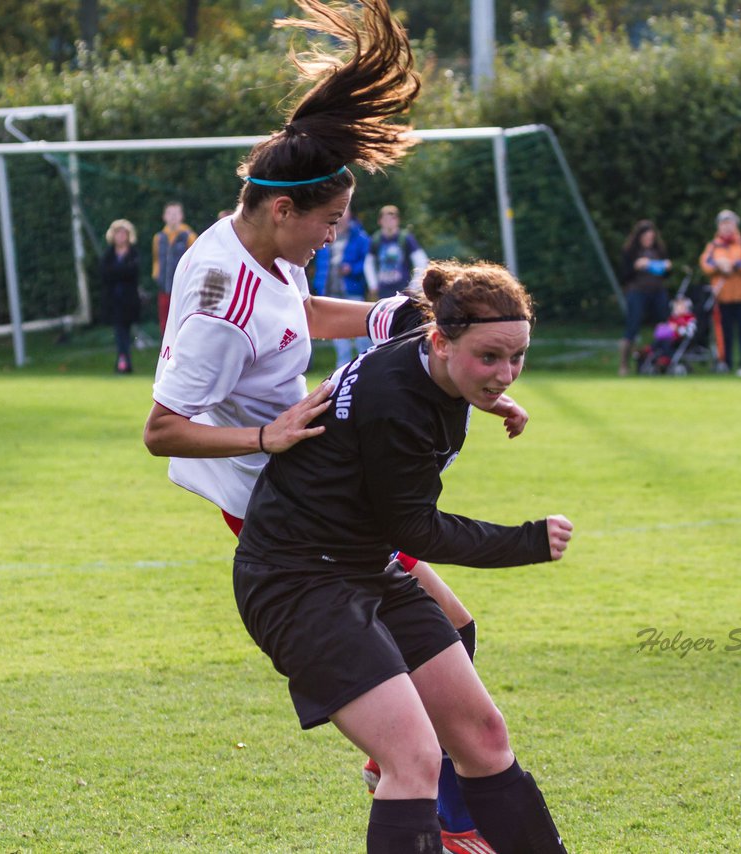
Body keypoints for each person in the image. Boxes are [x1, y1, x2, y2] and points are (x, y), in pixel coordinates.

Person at [141, 2, 523, 850]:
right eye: (328, 223)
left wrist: (400, 320)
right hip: (287, 503)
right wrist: (265, 437)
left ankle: (428, 793)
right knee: (439, 646)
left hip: (318, 473)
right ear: (284, 213)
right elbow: (163, 429)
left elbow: (301, 311)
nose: (331, 236)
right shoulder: (216, 298)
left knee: (452, 629)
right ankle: (434, 803)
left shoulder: (264, 253)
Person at [235, 261, 572, 853]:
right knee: (413, 758)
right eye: (490, 357)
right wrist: (527, 541)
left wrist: (489, 394)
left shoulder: (429, 345)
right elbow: (416, 530)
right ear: (441, 342)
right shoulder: (398, 405)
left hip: (362, 565)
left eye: (516, 357)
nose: (506, 373)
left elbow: (445, 369)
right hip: (296, 580)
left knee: (485, 736)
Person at [699, 210, 741, 374]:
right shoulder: (713, 246)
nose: (727, 227)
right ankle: (726, 363)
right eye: (723, 224)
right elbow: (706, 264)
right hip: (722, 297)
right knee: (724, 333)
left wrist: (733, 265)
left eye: (730, 223)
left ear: (735, 225)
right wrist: (718, 265)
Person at [313, 206, 372, 366]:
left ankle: (365, 367)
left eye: (344, 212)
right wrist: (319, 286)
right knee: (339, 339)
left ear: (350, 214)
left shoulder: (360, 237)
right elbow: (322, 265)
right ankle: (342, 372)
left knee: (362, 333)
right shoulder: (325, 235)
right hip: (331, 291)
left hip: (353, 290)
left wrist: (352, 269)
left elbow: (368, 263)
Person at [618, 219, 672, 375]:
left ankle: (664, 360)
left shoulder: (659, 250)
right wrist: (636, 267)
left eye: (651, 237)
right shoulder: (630, 252)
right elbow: (624, 276)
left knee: (664, 325)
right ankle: (624, 365)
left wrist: (667, 267)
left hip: (657, 291)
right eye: (646, 237)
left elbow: (666, 274)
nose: (649, 240)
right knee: (632, 327)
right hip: (637, 292)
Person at [151, 201, 198, 338]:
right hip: (164, 288)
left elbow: (194, 261)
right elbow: (156, 260)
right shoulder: (158, 237)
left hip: (183, 288)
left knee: (182, 321)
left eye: (176, 213)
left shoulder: (189, 236)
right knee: (165, 323)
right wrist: (156, 275)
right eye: (170, 213)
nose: (173, 217)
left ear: (181, 216)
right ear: (164, 216)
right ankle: (166, 353)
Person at [101, 218, 142, 374]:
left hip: (129, 300)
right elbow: (105, 274)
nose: (121, 236)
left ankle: (124, 360)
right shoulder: (109, 254)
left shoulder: (133, 253)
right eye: (118, 233)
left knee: (125, 330)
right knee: (119, 331)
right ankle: (123, 361)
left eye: (124, 233)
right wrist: (122, 272)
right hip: (113, 300)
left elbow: (132, 273)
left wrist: (117, 272)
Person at [365, 204, 428, 300]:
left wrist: (414, 285)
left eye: (392, 219)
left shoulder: (406, 238)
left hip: (404, 290)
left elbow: (421, 261)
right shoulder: (376, 239)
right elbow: (368, 264)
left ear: (398, 220)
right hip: (383, 290)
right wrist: (373, 285)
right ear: (380, 221)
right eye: (386, 219)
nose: (389, 222)